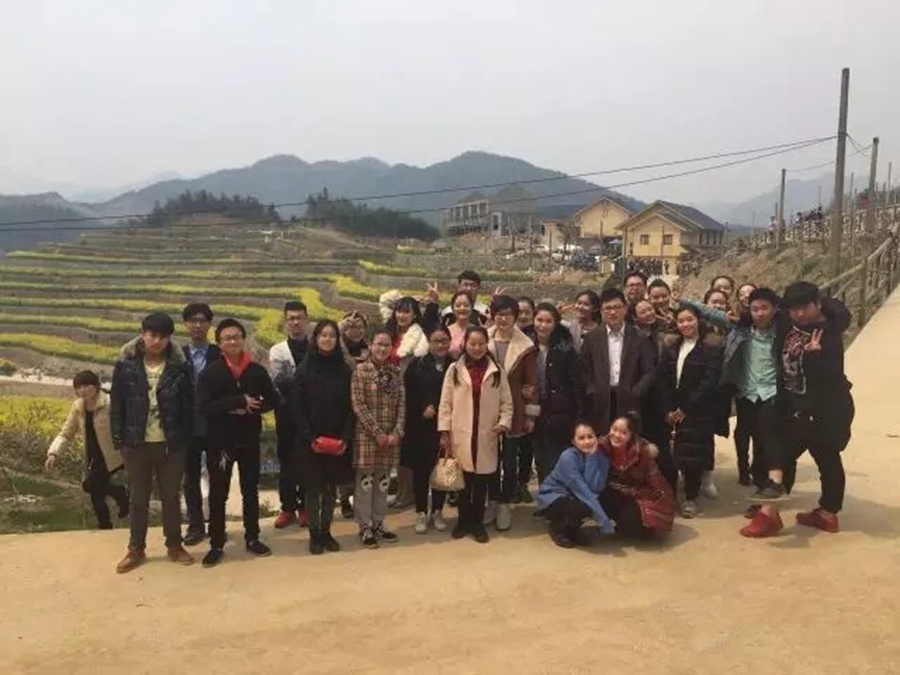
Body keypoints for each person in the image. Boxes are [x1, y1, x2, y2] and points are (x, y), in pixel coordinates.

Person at [747, 281, 855, 537]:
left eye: (805, 307)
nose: (799, 313)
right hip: (795, 406)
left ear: (817, 304)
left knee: (826, 458)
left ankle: (826, 513)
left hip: (825, 410)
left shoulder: (828, 336)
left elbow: (831, 381)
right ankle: (771, 513)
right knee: (780, 456)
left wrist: (817, 358)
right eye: (793, 308)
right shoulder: (789, 323)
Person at [110, 312, 194, 574]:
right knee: (138, 499)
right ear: (143, 335)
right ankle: (136, 548)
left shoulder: (180, 366)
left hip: (171, 443)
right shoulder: (126, 365)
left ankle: (174, 545)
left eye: (163, 336)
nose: (157, 341)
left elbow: (189, 405)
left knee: (171, 496)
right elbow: (117, 404)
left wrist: (185, 438)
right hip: (136, 443)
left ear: (169, 339)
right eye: (152, 335)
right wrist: (119, 440)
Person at [197, 319, 277, 567]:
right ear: (219, 343)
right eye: (227, 338)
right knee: (218, 492)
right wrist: (237, 402)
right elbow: (204, 407)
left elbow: (274, 399)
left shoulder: (256, 371)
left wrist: (253, 408)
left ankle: (252, 537)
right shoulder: (210, 373)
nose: (232, 341)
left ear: (243, 339)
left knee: (250, 490)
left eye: (236, 337)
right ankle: (216, 543)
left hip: (249, 439)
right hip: (220, 442)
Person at [438, 326, 513, 543]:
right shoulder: (454, 369)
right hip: (461, 433)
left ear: (487, 344)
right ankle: (463, 521)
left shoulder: (497, 371)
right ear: (465, 344)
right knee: (462, 482)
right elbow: (445, 403)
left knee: (481, 482)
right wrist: (444, 431)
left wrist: (503, 423)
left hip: (486, 434)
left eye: (481, 344)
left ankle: (477, 523)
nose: (477, 348)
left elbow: (507, 403)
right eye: (473, 343)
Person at [292, 320, 355, 554]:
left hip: (337, 439)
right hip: (311, 441)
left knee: (330, 488)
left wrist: (345, 438)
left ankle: (326, 532)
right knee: (313, 488)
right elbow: (296, 409)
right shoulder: (303, 370)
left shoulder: (345, 370)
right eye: (323, 335)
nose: (328, 339)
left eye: (332, 335)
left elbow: (351, 409)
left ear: (338, 340)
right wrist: (310, 438)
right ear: (316, 339)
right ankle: (314, 534)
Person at [659, 305, 724, 518]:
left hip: (697, 410)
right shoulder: (672, 347)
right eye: (681, 321)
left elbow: (709, 381)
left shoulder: (709, 348)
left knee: (693, 456)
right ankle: (669, 496)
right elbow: (664, 379)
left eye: (690, 319)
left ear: (698, 320)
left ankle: (690, 498)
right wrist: (669, 409)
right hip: (673, 408)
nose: (685, 324)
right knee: (671, 455)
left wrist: (686, 408)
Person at [45, 371, 129, 530]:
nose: (82, 390)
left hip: (114, 456)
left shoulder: (110, 403)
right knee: (96, 493)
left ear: (96, 386)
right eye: (78, 387)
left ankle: (120, 495)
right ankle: (106, 525)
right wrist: (53, 453)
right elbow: (66, 433)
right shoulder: (78, 407)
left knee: (90, 484)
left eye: (87, 385)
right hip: (94, 456)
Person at [485, 295, 538, 531]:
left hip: (514, 409)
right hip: (487, 407)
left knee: (509, 460)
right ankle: (492, 501)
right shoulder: (483, 339)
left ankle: (505, 503)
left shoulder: (525, 345)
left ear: (515, 317)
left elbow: (531, 383)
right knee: (489, 459)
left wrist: (530, 415)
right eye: (499, 314)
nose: (503, 319)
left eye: (507, 314)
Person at [351, 329, 406, 548]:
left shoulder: (395, 372)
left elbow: (402, 404)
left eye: (386, 345)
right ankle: (365, 527)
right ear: (370, 345)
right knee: (365, 484)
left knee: (383, 483)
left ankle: (379, 523)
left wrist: (397, 431)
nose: (382, 349)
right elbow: (358, 405)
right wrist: (377, 432)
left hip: (390, 439)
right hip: (367, 437)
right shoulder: (360, 371)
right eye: (378, 344)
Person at [581, 288, 656, 436]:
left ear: (625, 309)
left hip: (629, 399)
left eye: (617, 307)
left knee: (628, 443)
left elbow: (649, 370)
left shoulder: (640, 337)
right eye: (608, 308)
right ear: (601, 311)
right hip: (601, 401)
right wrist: (592, 390)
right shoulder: (592, 338)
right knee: (603, 443)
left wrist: (637, 391)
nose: (612, 312)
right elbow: (584, 369)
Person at [403, 325, 453, 534]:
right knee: (422, 470)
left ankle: (438, 511)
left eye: (444, 341)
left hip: (446, 426)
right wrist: (422, 407)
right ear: (429, 343)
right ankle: (422, 511)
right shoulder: (417, 364)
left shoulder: (455, 365)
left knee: (441, 468)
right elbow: (407, 393)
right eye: (436, 341)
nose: (440, 345)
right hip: (421, 426)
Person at [381, 295, 428, 509]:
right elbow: (384, 299)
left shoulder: (419, 338)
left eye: (407, 311)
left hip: (408, 396)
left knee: (406, 447)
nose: (401, 315)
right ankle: (400, 490)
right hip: (385, 395)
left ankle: (407, 492)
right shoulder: (388, 332)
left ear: (415, 315)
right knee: (393, 448)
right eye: (399, 310)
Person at [536, 421, 615, 548]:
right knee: (583, 505)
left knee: (606, 498)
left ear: (596, 437)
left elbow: (596, 487)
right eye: (581, 438)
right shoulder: (568, 457)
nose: (587, 441)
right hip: (554, 496)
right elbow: (583, 490)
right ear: (573, 441)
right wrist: (603, 521)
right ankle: (558, 528)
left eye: (590, 436)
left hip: (577, 495)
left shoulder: (601, 456)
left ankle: (572, 529)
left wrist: (591, 457)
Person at [531, 302, 586, 484]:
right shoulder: (526, 345)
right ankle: (546, 496)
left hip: (560, 413)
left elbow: (576, 384)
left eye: (549, 321)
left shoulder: (565, 348)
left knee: (558, 460)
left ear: (556, 324)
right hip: (534, 411)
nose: (543, 325)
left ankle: (561, 497)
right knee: (540, 459)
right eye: (539, 320)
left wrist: (578, 416)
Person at [180, 302, 220, 546]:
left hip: (215, 425)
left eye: (202, 320)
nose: (197, 325)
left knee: (218, 477)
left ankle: (216, 524)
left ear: (209, 324)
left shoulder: (219, 353)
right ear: (185, 324)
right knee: (190, 478)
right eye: (192, 320)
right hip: (187, 426)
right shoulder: (177, 355)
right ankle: (195, 525)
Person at [597, 412, 675, 537]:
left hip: (634, 495)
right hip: (607, 493)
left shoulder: (642, 452)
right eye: (614, 429)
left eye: (623, 432)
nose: (616, 435)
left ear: (631, 435)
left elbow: (656, 486)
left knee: (633, 523)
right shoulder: (600, 448)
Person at [269, 301, 310, 530]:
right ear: (286, 321)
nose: (295, 322)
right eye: (291, 318)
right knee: (286, 461)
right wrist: (304, 380)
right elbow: (278, 380)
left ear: (306, 319)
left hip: (310, 414)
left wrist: (295, 379)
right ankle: (287, 508)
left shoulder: (315, 347)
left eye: (299, 318)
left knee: (307, 459)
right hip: (285, 414)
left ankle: (305, 506)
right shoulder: (278, 350)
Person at [337, 310, 369, 517]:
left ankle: (362, 498)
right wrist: (339, 329)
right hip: (344, 409)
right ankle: (344, 499)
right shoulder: (337, 350)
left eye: (359, 326)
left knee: (363, 457)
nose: (355, 330)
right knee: (345, 456)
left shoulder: (371, 350)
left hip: (366, 410)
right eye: (351, 326)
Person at [446, 290, 479, 358]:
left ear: (472, 308)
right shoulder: (446, 331)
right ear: (452, 309)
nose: (462, 308)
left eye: (466, 305)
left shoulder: (478, 331)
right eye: (458, 305)